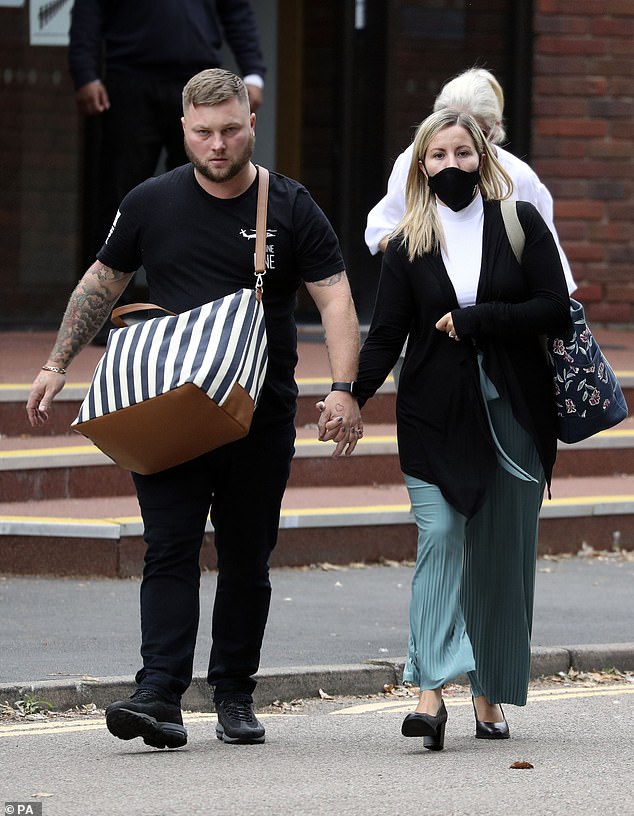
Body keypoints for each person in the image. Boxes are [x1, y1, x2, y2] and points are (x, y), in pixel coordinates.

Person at [26, 69, 362, 748]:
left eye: (230, 129)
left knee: (246, 556)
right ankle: (159, 694)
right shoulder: (150, 201)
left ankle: (234, 691)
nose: (218, 143)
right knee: (169, 547)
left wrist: (343, 387)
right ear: (183, 129)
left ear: (250, 123)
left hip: (257, 413)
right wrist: (57, 363)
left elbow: (335, 298)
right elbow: (102, 281)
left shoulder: (291, 206)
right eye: (204, 132)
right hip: (167, 406)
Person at [352, 109, 570, 751]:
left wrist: (476, 319)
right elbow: (387, 332)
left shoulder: (520, 222)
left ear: (484, 159)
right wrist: (350, 394)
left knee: (499, 558)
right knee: (442, 536)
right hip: (433, 412)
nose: (453, 166)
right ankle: (429, 696)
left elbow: (554, 307)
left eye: (464, 154)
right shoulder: (407, 242)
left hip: (515, 410)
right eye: (439, 156)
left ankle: (489, 694)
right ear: (421, 165)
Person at [69, 0, 267, 341]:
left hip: (199, 83)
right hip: (128, 78)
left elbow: (236, 10)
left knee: (206, 197)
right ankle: (105, 316)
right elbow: (90, 10)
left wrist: (252, 72)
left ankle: (198, 309)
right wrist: (84, 72)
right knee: (118, 198)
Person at [365, 67, 576, 295]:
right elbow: (383, 229)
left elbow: (552, 268)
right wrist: (425, 271)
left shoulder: (519, 177)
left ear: (495, 130)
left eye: (475, 134)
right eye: (447, 129)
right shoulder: (412, 162)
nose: (452, 163)